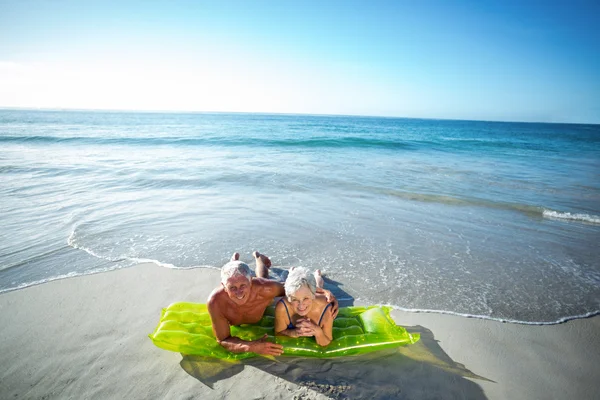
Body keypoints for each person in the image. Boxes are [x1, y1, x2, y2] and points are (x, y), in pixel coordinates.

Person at [207, 251, 337, 356]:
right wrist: (251, 347)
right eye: (232, 288)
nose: (239, 293)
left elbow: (293, 289)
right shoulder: (216, 302)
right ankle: (233, 263)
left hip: (261, 287)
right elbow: (223, 340)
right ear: (223, 286)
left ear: (251, 282)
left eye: (243, 285)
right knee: (242, 277)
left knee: (264, 279)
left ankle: (259, 258)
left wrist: (325, 292)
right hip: (243, 286)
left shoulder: (266, 289)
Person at [274, 267, 334, 347]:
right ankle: (292, 272)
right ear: (289, 298)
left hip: (316, 295)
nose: (301, 305)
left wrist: (318, 331)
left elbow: (327, 341)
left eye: (306, 298)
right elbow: (278, 333)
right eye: (295, 299)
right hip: (300, 290)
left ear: (313, 295)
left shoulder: (325, 308)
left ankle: (317, 276)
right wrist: (292, 332)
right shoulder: (283, 307)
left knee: (318, 285)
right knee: (295, 286)